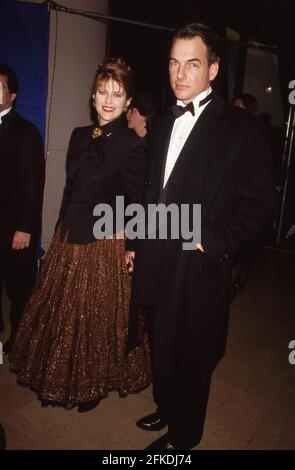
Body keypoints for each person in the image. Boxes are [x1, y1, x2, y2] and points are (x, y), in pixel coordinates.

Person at [127, 23, 274, 449]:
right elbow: (149, 190)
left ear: (212, 69)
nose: (180, 73)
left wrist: (213, 239)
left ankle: (184, 436)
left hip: (198, 265)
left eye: (192, 63)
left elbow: (259, 205)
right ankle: (166, 407)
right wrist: (136, 240)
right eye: (174, 63)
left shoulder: (241, 128)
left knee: (192, 354)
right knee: (161, 343)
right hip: (156, 259)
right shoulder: (160, 121)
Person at [10, 58, 151, 411]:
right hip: (69, 235)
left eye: (117, 94)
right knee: (61, 316)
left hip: (104, 242)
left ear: (128, 101)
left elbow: (138, 202)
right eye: (103, 91)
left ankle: (92, 385)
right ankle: (60, 377)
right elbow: (71, 189)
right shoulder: (77, 136)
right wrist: (59, 229)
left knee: (95, 322)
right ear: (92, 95)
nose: (108, 100)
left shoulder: (133, 145)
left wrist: (130, 244)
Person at [0, 63, 45, 355]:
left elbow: (33, 185)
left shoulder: (26, 132)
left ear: (12, 94)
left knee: (19, 291)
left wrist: (25, 228)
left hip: (15, 229)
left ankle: (20, 340)